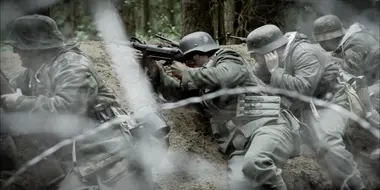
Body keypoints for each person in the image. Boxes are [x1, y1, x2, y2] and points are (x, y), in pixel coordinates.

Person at [1, 14, 169, 190]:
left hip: (106, 153)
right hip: (74, 155)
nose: (15, 52)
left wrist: (20, 102)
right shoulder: (35, 72)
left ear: (35, 46)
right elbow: (9, 94)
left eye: (18, 46)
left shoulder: (72, 64)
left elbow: (69, 109)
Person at [148, 31, 300, 190]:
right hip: (240, 143)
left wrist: (187, 73)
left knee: (256, 163)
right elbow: (178, 94)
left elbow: (225, 76)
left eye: (191, 58)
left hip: (268, 127)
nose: (189, 63)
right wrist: (156, 72)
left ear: (204, 53)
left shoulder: (227, 57)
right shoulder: (203, 82)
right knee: (239, 184)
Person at [246, 24, 364, 190]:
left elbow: (303, 89)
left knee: (328, 143)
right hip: (307, 106)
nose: (255, 60)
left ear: (269, 52)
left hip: (331, 102)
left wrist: (275, 71)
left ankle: (355, 186)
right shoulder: (272, 59)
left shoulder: (304, 52)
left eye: (256, 56)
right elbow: (254, 78)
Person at [313, 15, 380, 114]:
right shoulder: (351, 40)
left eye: (322, 42)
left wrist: (324, 59)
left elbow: (352, 74)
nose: (321, 45)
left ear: (331, 38)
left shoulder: (356, 42)